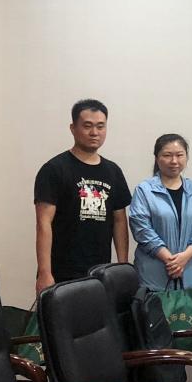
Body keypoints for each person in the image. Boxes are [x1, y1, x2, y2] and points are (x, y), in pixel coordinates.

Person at [33, 99, 131, 294]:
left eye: (100, 126)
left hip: (100, 272)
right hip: (62, 272)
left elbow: (120, 221)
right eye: (87, 126)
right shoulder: (54, 169)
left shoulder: (113, 171)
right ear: (73, 128)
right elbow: (43, 223)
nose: (94, 132)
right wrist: (44, 272)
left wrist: (122, 266)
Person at [129, 134, 192, 291]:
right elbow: (142, 229)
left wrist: (185, 256)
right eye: (167, 155)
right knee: (154, 308)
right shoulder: (144, 190)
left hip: (188, 276)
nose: (174, 161)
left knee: (188, 308)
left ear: (186, 157)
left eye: (179, 155)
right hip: (153, 277)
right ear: (157, 158)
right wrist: (171, 260)